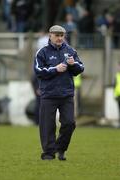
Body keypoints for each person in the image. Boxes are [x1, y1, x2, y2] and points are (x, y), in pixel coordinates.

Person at [34, 25, 84, 160]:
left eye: (62, 35)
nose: (59, 38)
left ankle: (61, 149)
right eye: (57, 35)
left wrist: (73, 64)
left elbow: (81, 68)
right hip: (48, 95)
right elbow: (38, 71)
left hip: (66, 94)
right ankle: (49, 153)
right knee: (47, 126)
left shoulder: (70, 51)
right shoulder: (42, 52)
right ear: (50, 35)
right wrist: (55, 69)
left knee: (69, 123)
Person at [114, 62, 120, 127]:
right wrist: (115, 95)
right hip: (118, 96)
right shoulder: (117, 75)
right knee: (119, 110)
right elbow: (115, 86)